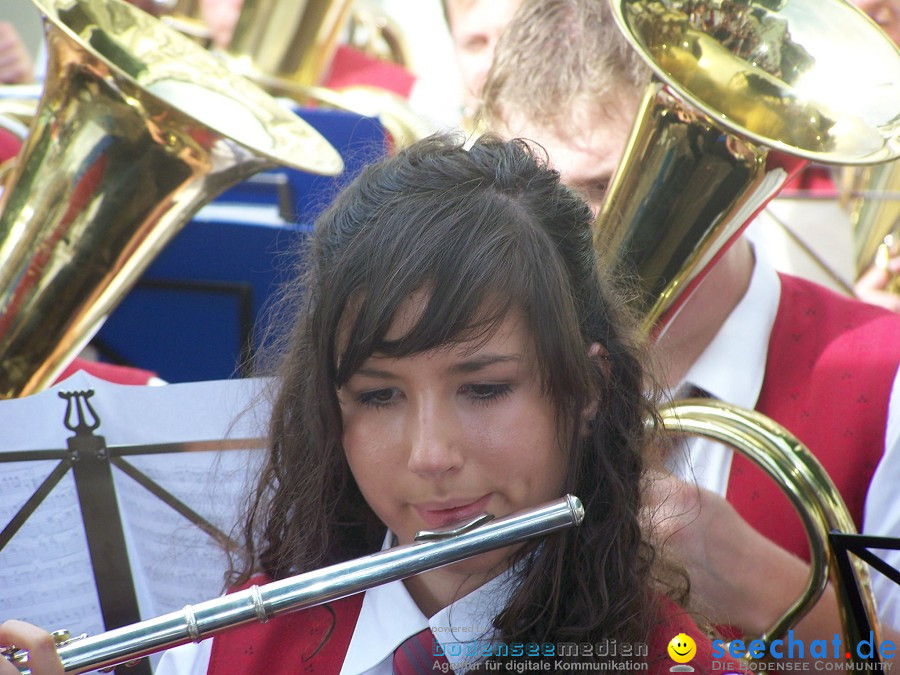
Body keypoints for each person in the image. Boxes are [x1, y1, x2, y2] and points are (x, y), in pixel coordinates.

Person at [0, 134, 734, 674]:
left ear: (588, 391)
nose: (429, 454)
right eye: (379, 395)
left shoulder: (670, 661)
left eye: (483, 388)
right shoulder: (233, 648)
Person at [480, 0, 900, 654]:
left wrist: (761, 584)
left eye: (601, 187)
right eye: (533, 191)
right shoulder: (471, 372)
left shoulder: (886, 374)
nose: (559, 237)